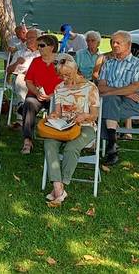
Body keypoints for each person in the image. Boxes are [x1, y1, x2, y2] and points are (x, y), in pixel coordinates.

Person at [43, 54, 100, 206]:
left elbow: (94, 115)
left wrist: (85, 116)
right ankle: (58, 187)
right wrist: (53, 115)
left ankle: (61, 184)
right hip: (64, 126)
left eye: (67, 75)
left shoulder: (90, 87)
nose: (64, 78)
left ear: (75, 69)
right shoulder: (59, 88)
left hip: (85, 127)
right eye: (61, 75)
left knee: (71, 148)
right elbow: (58, 112)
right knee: (49, 143)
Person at [96, 30, 139, 166]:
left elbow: (135, 88)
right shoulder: (108, 64)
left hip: (134, 101)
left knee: (102, 108)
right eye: (112, 42)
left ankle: (107, 143)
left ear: (128, 45)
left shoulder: (138, 64)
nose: (114, 45)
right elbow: (101, 87)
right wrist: (124, 92)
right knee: (110, 101)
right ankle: (112, 146)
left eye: (118, 43)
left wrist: (114, 92)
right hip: (112, 100)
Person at [19, 34, 62, 154]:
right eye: (38, 46)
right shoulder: (36, 61)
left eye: (42, 45)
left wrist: (52, 95)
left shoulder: (61, 62)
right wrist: (37, 93)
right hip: (37, 95)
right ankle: (27, 140)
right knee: (29, 103)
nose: (39, 48)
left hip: (57, 96)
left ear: (51, 47)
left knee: (60, 108)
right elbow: (28, 81)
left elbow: (67, 83)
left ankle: (57, 139)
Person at [6, 29, 40, 107]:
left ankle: (23, 106)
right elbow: (8, 71)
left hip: (37, 80)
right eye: (27, 38)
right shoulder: (19, 53)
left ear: (39, 39)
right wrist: (17, 63)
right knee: (20, 78)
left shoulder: (42, 53)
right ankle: (22, 105)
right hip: (21, 79)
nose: (28, 40)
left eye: (31, 38)